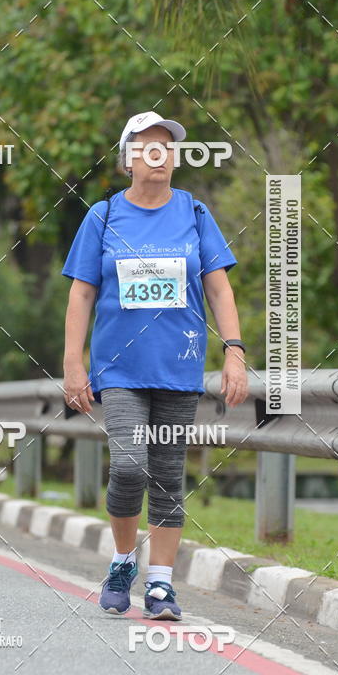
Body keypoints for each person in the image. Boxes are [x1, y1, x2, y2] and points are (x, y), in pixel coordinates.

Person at [62, 111, 248, 620]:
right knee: (128, 466)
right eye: (146, 147)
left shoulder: (194, 212)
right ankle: (123, 560)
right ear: (128, 161)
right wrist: (73, 364)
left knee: (166, 475)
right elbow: (81, 293)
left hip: (179, 366)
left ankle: (162, 584)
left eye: (167, 147)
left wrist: (234, 351)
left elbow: (219, 287)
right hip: (119, 370)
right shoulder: (102, 217)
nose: (159, 155)